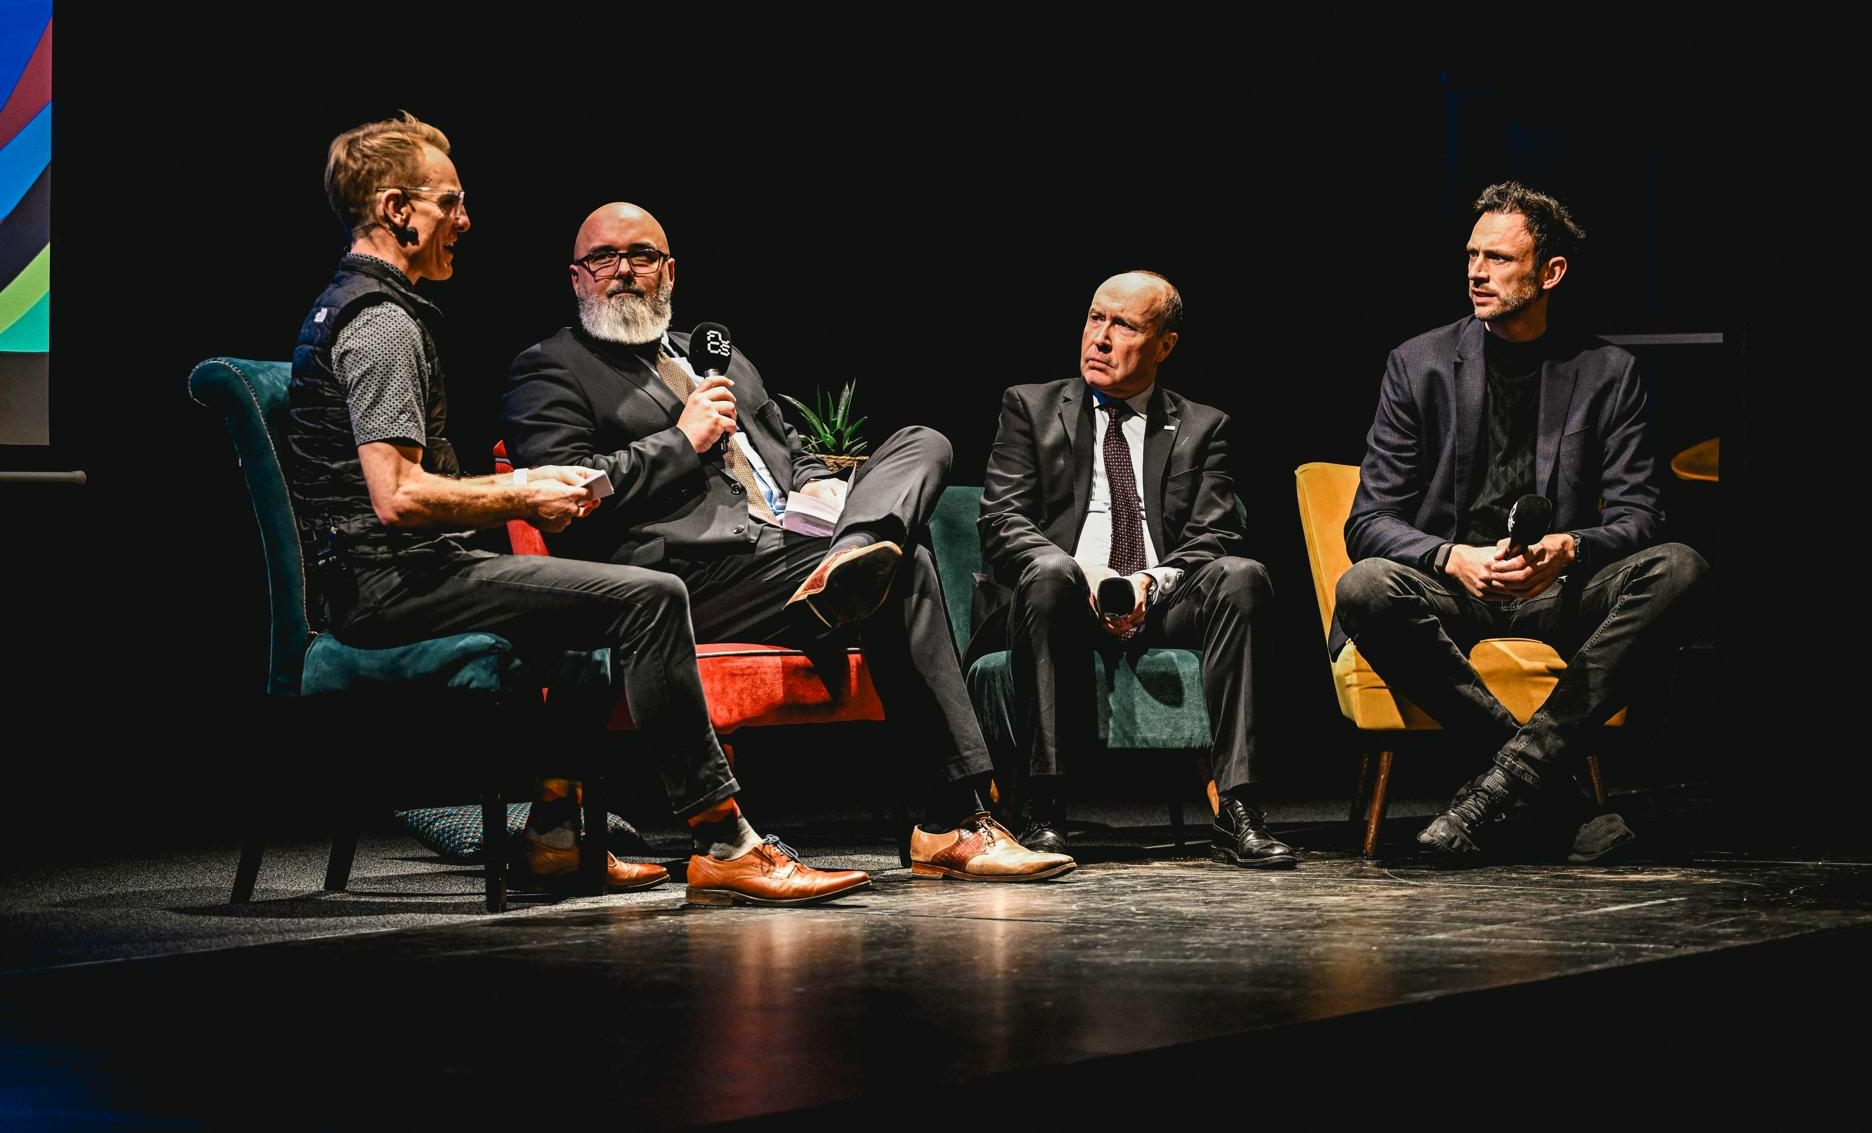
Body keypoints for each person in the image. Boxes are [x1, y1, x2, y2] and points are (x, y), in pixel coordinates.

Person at [287, 113, 868, 905]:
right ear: (396, 210)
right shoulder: (381, 324)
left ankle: (555, 836)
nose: (465, 220)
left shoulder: (364, 308)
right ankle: (725, 840)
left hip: (400, 571)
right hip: (385, 587)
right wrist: (523, 490)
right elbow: (399, 497)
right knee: (648, 595)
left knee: (588, 593)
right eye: (449, 202)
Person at [500, 202, 1072, 883]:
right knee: (908, 565)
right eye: (603, 258)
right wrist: (681, 440)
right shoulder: (551, 368)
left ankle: (853, 551)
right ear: (576, 277)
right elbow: (567, 495)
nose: (623, 270)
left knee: (925, 441)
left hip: (789, 549)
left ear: (669, 272)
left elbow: (790, 450)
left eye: (641, 255)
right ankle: (951, 820)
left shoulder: (720, 357)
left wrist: (819, 487)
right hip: (684, 576)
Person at [1334, 181, 1708, 863]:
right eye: (1471, 255)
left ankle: (1501, 785)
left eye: (1499, 259)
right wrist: (1452, 558)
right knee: (1363, 586)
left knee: (1681, 568)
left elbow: (1641, 517)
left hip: (1555, 590)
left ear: (1550, 272)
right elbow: (1369, 521)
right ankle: (1552, 793)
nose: (1477, 272)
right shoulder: (1417, 364)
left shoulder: (1608, 371)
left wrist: (1569, 548)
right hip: (1456, 589)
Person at [971, 271, 1297, 869]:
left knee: (1243, 576)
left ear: (1164, 345)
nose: (1100, 337)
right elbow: (1002, 520)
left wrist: (1150, 581)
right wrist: (1086, 574)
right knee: (1050, 574)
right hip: (1056, 602)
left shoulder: (1203, 426)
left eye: (1123, 325)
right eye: (1095, 318)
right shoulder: (1030, 407)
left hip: (1160, 601)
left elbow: (1216, 533)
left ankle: (1238, 807)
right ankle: (1044, 807)